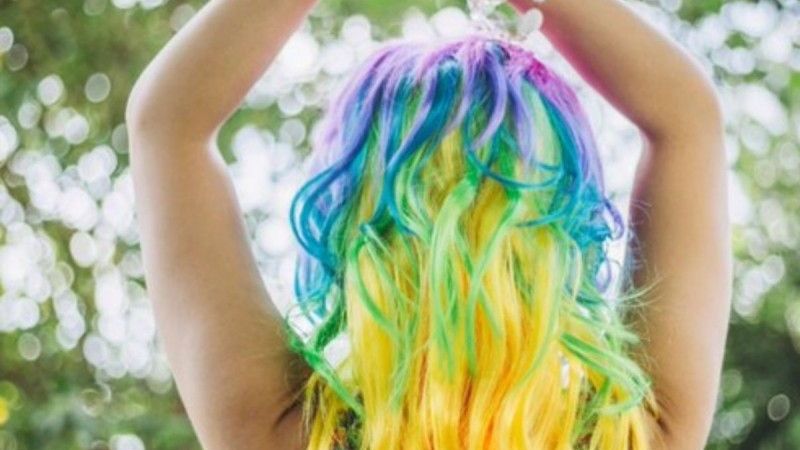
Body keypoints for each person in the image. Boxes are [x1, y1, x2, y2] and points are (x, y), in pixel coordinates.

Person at [124, 0, 732, 449]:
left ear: (356, 221)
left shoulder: (282, 432)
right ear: (556, 222)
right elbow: (688, 118)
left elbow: (166, 124)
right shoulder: (637, 433)